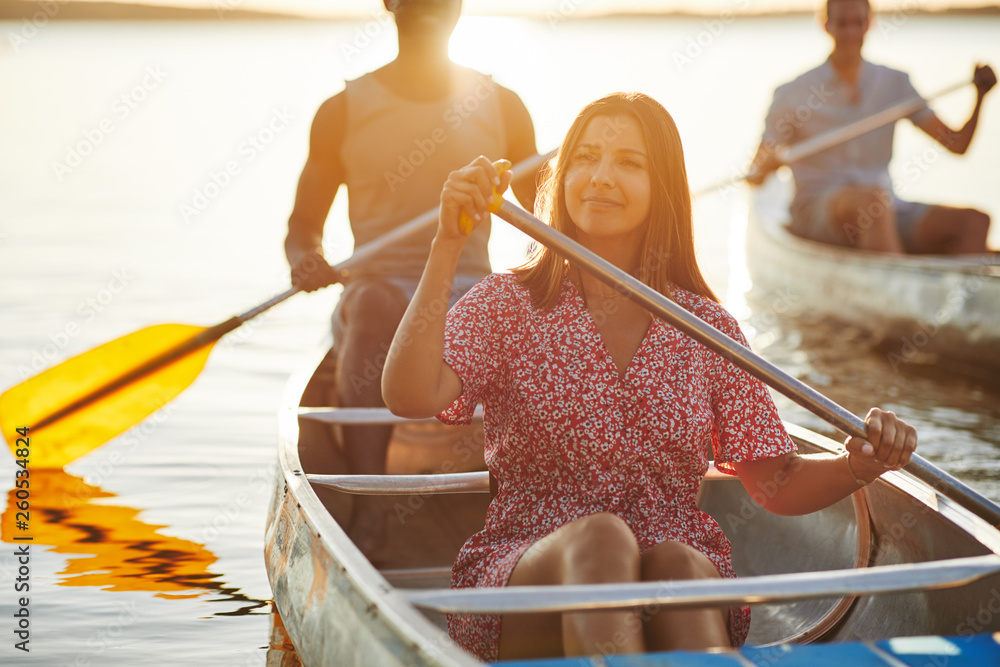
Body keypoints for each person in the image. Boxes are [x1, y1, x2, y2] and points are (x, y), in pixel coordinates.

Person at [382, 92, 918, 660]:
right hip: (528, 577)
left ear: (662, 186)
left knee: (679, 563)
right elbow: (409, 395)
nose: (601, 177)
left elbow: (774, 482)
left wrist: (856, 465)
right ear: (562, 176)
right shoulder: (506, 303)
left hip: (677, 574)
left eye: (629, 163)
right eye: (585, 157)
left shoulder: (707, 326)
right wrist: (447, 243)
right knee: (601, 536)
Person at [284, 0, 537, 560]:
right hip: (378, 286)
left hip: (468, 288)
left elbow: (550, 213)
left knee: (518, 305)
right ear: (390, 4)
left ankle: (523, 497)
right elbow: (303, 228)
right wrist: (306, 259)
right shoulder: (343, 110)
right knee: (372, 302)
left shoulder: (502, 105)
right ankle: (371, 505)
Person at [747, 0, 996, 254]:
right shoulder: (792, 93)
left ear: (870, 24)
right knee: (872, 204)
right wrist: (766, 166)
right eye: (842, 23)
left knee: (975, 222)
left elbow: (956, 145)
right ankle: (897, 284)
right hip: (817, 211)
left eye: (858, 23)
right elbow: (755, 175)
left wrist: (980, 97)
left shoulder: (895, 83)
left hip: (886, 207)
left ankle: (958, 291)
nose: (851, 32)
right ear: (826, 25)